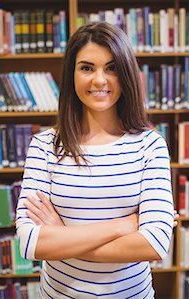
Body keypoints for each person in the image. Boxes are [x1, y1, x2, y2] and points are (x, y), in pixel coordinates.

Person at [15, 22, 175, 298]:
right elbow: (31, 244)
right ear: (72, 74)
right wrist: (124, 226)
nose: (99, 80)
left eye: (111, 68)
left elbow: (155, 244)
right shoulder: (44, 146)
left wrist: (63, 237)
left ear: (126, 74)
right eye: (87, 68)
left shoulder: (150, 145)